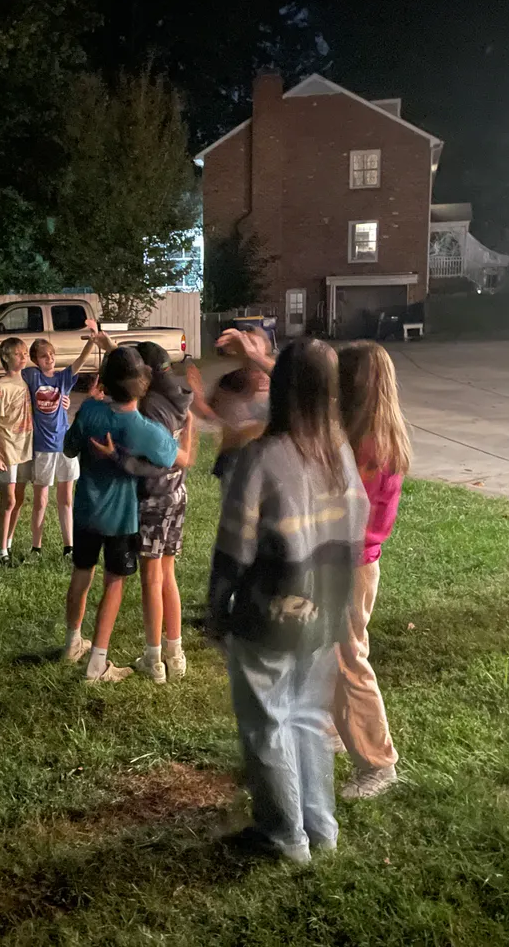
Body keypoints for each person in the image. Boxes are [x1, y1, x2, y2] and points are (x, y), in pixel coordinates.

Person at [206, 338, 368, 864]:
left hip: (269, 614)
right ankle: (320, 827)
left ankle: (284, 836)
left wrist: (217, 608)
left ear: (280, 388)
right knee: (306, 719)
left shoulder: (262, 457)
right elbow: (357, 534)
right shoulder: (341, 453)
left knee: (267, 723)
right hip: (325, 614)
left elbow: (234, 545)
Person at [61, 346, 179, 682]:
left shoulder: (90, 411)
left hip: (85, 510)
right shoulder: (142, 427)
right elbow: (170, 455)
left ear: (105, 381)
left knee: (81, 573)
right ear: (142, 383)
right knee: (114, 583)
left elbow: (69, 448)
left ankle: (72, 642)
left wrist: (89, 406)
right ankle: (97, 663)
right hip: (120, 518)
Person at [329, 341, 409, 800]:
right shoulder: (379, 434)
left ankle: (379, 764)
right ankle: (337, 732)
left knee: (349, 661)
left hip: (348, 566)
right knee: (333, 653)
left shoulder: (366, 447)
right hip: (354, 563)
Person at [89, 342, 197, 683]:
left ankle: (154, 658)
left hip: (153, 499)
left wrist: (117, 457)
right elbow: (185, 443)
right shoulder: (177, 397)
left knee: (152, 579)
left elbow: (150, 462)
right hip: (177, 494)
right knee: (168, 574)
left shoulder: (149, 408)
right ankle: (175, 654)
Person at [20, 322, 114, 557]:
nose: (49, 359)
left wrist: (91, 342)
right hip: (43, 448)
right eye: (44, 356)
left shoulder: (62, 379)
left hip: (66, 446)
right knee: (41, 501)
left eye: (52, 355)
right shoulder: (32, 377)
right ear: (35, 360)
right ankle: (36, 547)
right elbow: (13, 377)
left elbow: (80, 362)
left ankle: (68, 547)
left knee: (66, 499)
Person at [187, 327, 273, 494]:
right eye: (247, 343)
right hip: (236, 464)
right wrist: (199, 402)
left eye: (253, 343)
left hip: (269, 466)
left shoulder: (277, 379)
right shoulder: (232, 381)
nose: (248, 347)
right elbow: (221, 421)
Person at [0, 337, 34, 565]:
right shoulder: (0, 387)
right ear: (6, 357)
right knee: (9, 500)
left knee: (19, 498)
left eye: (25, 353)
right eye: (17, 354)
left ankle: (9, 542)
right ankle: (0, 551)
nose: (23, 357)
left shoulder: (28, 379)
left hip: (25, 448)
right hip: (7, 449)